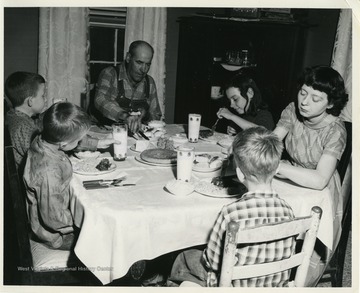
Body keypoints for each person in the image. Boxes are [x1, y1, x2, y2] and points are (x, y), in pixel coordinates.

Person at [167, 127, 295, 287]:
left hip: (231, 286)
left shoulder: (231, 213)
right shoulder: (288, 211)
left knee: (184, 257)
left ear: (240, 175)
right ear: (276, 169)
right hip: (272, 286)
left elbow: (212, 262)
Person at [272, 66, 348, 285]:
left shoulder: (336, 130)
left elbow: (319, 180)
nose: (304, 102)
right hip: (291, 175)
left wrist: (276, 167)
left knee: (303, 269)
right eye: (303, 93)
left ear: (331, 103)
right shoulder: (291, 110)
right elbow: (274, 141)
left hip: (320, 193)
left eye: (316, 98)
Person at [5, 71, 113, 169]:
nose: (45, 99)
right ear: (30, 101)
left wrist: (97, 143)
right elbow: (44, 155)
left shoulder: (14, 117)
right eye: (42, 96)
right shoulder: (24, 127)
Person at [23, 102, 91, 250]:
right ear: (64, 143)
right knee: (101, 240)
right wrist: (81, 221)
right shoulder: (48, 172)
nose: (79, 142)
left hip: (60, 212)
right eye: (78, 140)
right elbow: (53, 217)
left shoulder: (45, 140)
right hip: (55, 235)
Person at [94, 40, 162, 133]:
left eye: (148, 64)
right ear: (128, 57)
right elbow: (100, 99)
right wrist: (124, 116)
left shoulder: (149, 82)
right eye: (139, 62)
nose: (144, 69)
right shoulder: (110, 74)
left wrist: (145, 116)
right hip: (106, 132)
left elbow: (156, 114)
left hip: (135, 135)